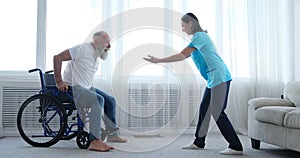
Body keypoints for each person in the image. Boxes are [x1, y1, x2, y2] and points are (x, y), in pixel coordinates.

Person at [143, 13, 243, 155]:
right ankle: (199, 142)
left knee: (217, 111)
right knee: (204, 109)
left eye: (183, 25)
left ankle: (236, 146)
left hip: (220, 77)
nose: (183, 29)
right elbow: (184, 56)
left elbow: (181, 56)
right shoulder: (198, 38)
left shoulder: (199, 37)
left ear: (191, 23)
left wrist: (158, 60)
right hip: (213, 78)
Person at [53, 31, 127, 152]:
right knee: (98, 100)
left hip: (85, 87)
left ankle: (113, 134)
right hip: (72, 88)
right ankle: (94, 141)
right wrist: (59, 81)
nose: (109, 46)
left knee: (110, 100)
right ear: (96, 42)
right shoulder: (82, 49)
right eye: (106, 42)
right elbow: (58, 58)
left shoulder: (96, 56)